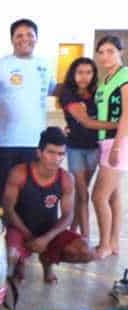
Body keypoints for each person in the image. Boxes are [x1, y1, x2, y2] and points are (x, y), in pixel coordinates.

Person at [3, 127, 95, 284]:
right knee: (11, 255)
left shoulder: (66, 178)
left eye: (61, 154)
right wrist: (30, 237)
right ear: (39, 153)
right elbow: (8, 210)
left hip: (48, 230)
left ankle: (48, 261)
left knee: (86, 251)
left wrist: (46, 239)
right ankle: (20, 262)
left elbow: (68, 216)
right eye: (51, 152)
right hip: (20, 228)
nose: (56, 158)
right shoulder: (19, 173)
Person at [0, 19, 56, 207]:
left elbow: (55, 90)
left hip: (35, 143)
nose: (25, 39)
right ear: (12, 39)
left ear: (36, 38)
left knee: (29, 198)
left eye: (29, 35)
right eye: (19, 35)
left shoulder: (45, 65)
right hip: (4, 144)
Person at [58, 57, 116, 238]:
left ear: (94, 74)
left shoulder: (98, 93)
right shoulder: (67, 93)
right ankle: (85, 238)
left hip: (95, 147)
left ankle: (73, 231)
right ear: (73, 74)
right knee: (82, 194)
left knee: (82, 194)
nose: (84, 77)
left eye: (89, 72)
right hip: (75, 148)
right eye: (80, 72)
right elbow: (86, 122)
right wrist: (120, 125)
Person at [93, 35, 128, 258]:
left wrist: (116, 147)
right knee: (113, 195)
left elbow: (127, 114)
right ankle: (114, 242)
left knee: (98, 197)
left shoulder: (125, 75)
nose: (105, 56)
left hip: (119, 141)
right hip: (104, 141)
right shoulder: (105, 79)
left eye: (110, 51)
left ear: (120, 52)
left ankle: (104, 244)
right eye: (101, 52)